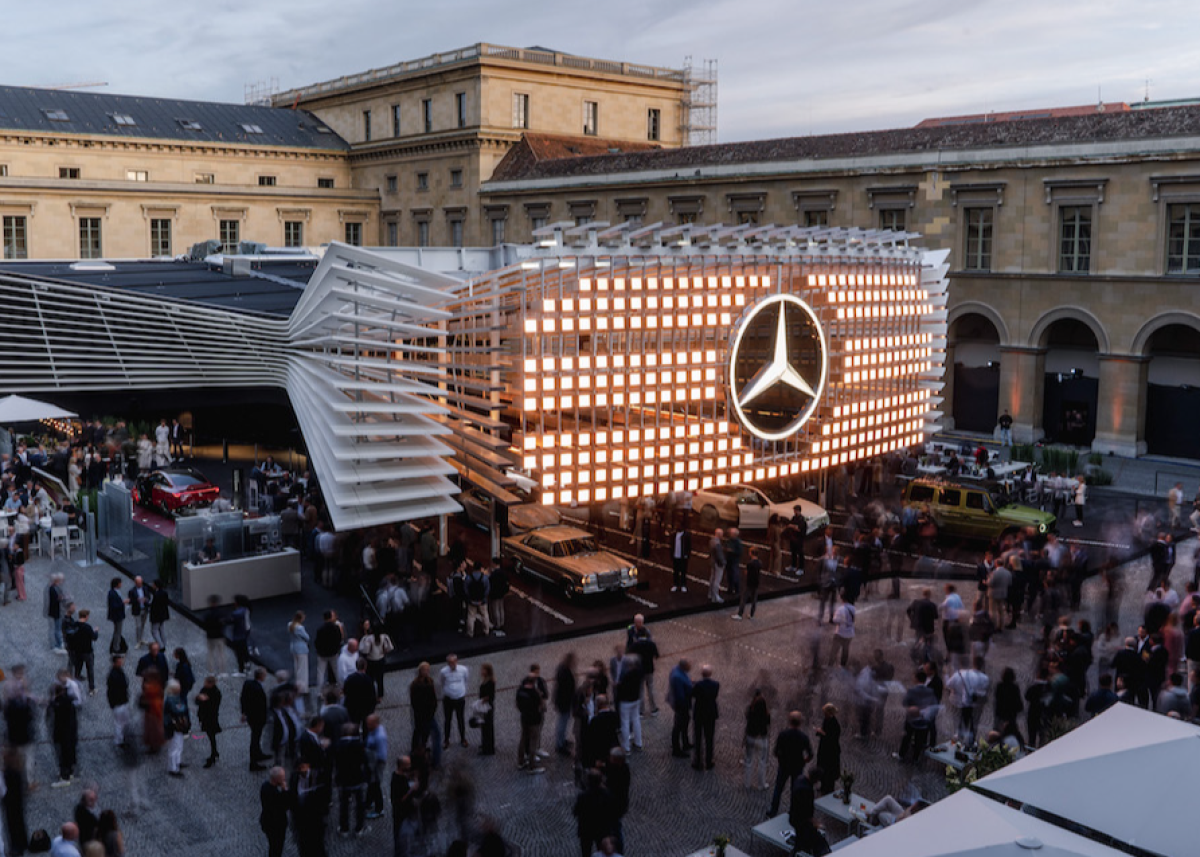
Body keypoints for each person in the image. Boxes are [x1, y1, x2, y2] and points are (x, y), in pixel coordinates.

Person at [769, 711, 814, 816]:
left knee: (778, 788)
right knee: (795, 790)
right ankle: (793, 811)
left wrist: (781, 758)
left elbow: (776, 751)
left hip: (784, 765)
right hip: (797, 767)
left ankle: (773, 810)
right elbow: (811, 754)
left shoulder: (783, 734)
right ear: (800, 723)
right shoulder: (803, 737)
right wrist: (804, 761)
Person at [240, 667, 271, 771]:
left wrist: (244, 713)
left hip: (251, 717)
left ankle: (258, 753)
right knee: (255, 738)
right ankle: (253, 762)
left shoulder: (248, 683)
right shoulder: (257, 689)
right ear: (261, 676)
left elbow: (243, 698)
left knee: (256, 737)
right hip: (257, 718)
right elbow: (260, 705)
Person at [691, 664, 720, 771]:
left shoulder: (698, 685)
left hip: (699, 713)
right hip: (710, 714)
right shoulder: (716, 684)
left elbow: (693, 694)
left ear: (702, 674)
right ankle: (709, 761)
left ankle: (698, 760)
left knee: (698, 738)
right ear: (710, 674)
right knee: (709, 738)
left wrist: (693, 684)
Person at [516, 674, 546, 774]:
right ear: (533, 683)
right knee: (533, 742)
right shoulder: (534, 693)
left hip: (524, 718)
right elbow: (541, 706)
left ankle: (520, 761)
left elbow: (517, 704)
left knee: (523, 738)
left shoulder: (520, 691)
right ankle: (532, 766)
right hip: (534, 720)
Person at [439, 654, 469, 749]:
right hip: (448, 700)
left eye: (453, 662)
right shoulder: (443, 672)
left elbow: (466, 680)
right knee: (447, 720)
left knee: (461, 719)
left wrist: (462, 691)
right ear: (447, 663)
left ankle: (463, 738)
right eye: (450, 663)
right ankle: (446, 740)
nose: (452, 664)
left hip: (460, 699)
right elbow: (442, 682)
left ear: (456, 661)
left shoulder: (463, 670)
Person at [259, 766, 290, 857]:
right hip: (276, 826)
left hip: (267, 822)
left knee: (273, 846)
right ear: (277, 779)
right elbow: (285, 806)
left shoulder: (265, 786)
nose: (284, 779)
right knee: (277, 847)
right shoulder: (276, 794)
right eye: (283, 777)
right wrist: (285, 791)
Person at [743, 689, 770, 790]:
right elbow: (768, 724)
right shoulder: (766, 715)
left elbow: (747, 716)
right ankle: (761, 784)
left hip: (751, 737)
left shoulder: (750, 711)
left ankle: (747, 783)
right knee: (762, 761)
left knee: (749, 760)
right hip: (762, 738)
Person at [163, 679, 189, 777]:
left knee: (179, 745)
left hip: (178, 726)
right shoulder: (171, 699)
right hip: (173, 727)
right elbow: (180, 709)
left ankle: (177, 762)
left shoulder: (174, 697)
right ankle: (172, 768)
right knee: (174, 747)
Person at [196, 675, 222, 768]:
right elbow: (197, 701)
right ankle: (214, 753)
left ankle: (214, 754)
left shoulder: (216, 693)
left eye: (206, 682)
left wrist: (206, 700)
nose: (204, 684)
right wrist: (199, 699)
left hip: (211, 718)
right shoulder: (205, 689)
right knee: (210, 736)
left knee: (211, 736)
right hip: (204, 717)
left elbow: (214, 707)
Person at [814, 704, 841, 795]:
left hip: (831, 751)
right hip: (824, 749)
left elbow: (832, 738)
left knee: (829, 770)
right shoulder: (826, 720)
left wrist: (822, 733)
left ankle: (828, 788)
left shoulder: (835, 724)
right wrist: (820, 732)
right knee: (822, 767)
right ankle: (823, 786)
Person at [554, 653, 577, 755]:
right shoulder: (565, 672)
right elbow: (567, 689)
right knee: (562, 722)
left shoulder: (562, 669)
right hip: (564, 702)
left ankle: (562, 740)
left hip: (563, 701)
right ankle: (560, 744)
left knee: (563, 721)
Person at [734, 546, 762, 620]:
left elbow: (746, 572)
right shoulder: (759, 563)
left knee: (744, 599)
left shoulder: (750, 563)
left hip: (749, 583)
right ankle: (751, 614)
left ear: (751, 553)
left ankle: (740, 614)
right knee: (754, 600)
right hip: (756, 583)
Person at [829, 594, 856, 668]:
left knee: (834, 650)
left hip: (840, 633)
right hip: (850, 633)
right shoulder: (853, 608)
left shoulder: (840, 609)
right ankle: (843, 666)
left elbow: (835, 620)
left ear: (842, 599)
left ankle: (830, 665)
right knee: (845, 650)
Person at [289, 611, 310, 700]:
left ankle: (297, 685)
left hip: (294, 648)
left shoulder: (290, 625)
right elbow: (307, 637)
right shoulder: (300, 628)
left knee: (296, 667)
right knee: (302, 669)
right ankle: (303, 688)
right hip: (301, 649)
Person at [105, 578, 128, 655]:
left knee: (117, 631)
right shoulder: (112, 593)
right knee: (118, 631)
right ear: (117, 584)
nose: (121, 584)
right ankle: (116, 647)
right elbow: (114, 606)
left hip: (118, 615)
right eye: (120, 583)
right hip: (117, 616)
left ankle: (116, 646)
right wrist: (123, 603)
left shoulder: (114, 592)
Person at [478, 664, 496, 756]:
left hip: (487, 707)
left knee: (487, 727)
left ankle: (488, 748)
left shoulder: (490, 682)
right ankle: (486, 745)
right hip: (484, 706)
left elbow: (490, 696)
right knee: (485, 727)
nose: (481, 671)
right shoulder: (485, 680)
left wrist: (481, 701)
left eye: (483, 670)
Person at [148, 580, 169, 648]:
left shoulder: (156, 595)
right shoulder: (164, 593)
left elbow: (154, 606)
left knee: (154, 631)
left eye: (153, 584)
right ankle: (164, 643)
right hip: (163, 614)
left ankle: (161, 645)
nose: (152, 585)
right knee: (161, 629)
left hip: (156, 616)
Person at [671, 523, 691, 592]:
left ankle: (683, 585)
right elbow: (671, 545)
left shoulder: (686, 535)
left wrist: (687, 555)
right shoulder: (674, 534)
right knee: (675, 571)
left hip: (683, 557)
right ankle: (675, 584)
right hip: (675, 556)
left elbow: (689, 546)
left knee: (683, 572)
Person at [708, 528, 726, 603]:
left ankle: (710, 593)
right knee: (717, 580)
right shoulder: (717, 544)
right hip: (718, 563)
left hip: (712, 562)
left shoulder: (712, 541)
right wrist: (723, 563)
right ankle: (715, 596)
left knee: (712, 578)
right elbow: (719, 555)